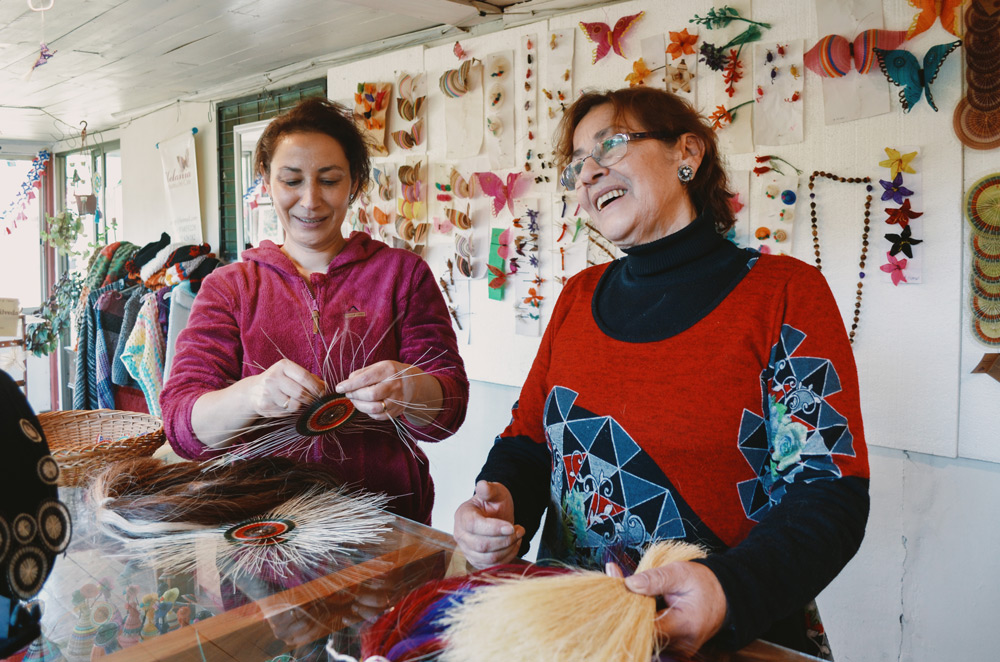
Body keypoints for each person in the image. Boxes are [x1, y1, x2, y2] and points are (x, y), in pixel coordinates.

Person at [452, 87, 869, 659]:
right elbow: (528, 442)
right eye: (577, 164)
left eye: (611, 146)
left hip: (724, 636)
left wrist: (730, 591)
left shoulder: (782, 294)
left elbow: (828, 492)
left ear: (687, 155)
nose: (590, 173)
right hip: (571, 629)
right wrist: (497, 506)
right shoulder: (577, 297)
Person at [161, 97, 469, 525]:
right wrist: (251, 394)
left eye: (329, 180)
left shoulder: (402, 276)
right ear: (265, 181)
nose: (310, 200)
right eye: (291, 180)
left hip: (387, 524)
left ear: (354, 182)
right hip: (262, 531)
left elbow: (448, 408)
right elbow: (182, 427)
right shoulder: (229, 289)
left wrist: (409, 388)